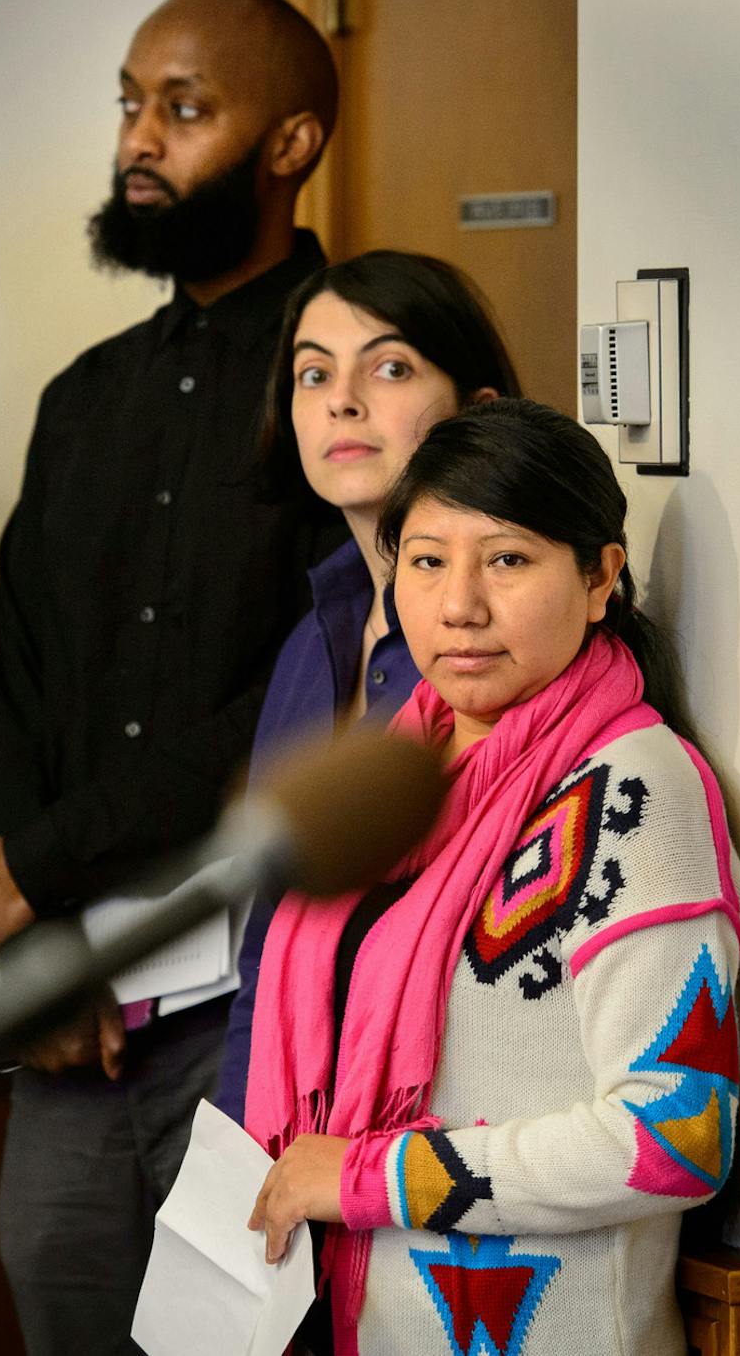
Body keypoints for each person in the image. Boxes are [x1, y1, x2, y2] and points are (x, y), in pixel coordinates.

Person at [0, 0, 343, 1353]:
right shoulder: (88, 394)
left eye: (184, 108)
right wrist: (42, 936)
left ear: (289, 143)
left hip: (258, 1005)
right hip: (71, 1022)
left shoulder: (347, 387)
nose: (140, 139)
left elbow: (307, 701)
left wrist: (43, 862)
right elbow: (25, 667)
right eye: (130, 103)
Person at [244, 399, 740, 1355]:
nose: (459, 604)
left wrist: (366, 1175)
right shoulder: (400, 774)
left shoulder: (636, 792)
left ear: (602, 577)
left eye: (507, 559)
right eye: (426, 561)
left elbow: (677, 1132)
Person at [212, 249, 522, 1123]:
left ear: (478, 409)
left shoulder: (494, 651)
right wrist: (241, 1163)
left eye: (389, 367)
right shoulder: (315, 637)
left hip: (434, 1154)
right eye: (314, 374)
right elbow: (266, 950)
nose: (342, 399)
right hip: (288, 1145)